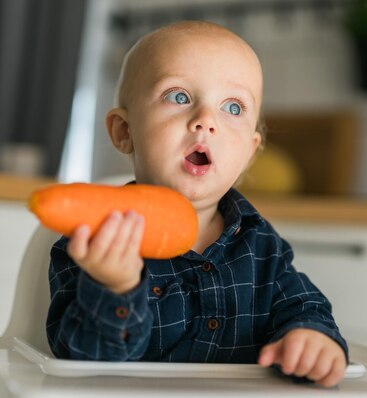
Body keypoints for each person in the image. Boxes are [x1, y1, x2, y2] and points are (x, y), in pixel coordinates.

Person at [46, 20, 348, 387]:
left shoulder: (261, 245)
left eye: (233, 107)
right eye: (179, 97)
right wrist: (115, 288)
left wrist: (311, 338)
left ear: (250, 153)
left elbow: (305, 307)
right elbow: (80, 366)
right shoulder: (94, 243)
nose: (205, 121)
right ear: (124, 132)